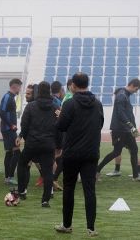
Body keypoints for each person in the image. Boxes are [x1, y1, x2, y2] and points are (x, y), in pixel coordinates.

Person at [54, 73, 104, 237]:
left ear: (73, 86)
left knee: (69, 188)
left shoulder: (69, 104)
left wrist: (59, 116)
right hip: (91, 152)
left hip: (72, 153)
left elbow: (61, 126)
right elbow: (100, 124)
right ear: (87, 84)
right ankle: (91, 227)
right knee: (90, 190)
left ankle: (67, 225)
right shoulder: (97, 104)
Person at [17, 81, 60, 208]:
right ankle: (45, 199)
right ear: (50, 91)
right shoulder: (55, 107)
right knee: (47, 171)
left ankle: (21, 190)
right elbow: (59, 127)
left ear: (38, 91)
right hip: (48, 144)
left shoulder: (31, 106)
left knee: (22, 164)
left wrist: (22, 136)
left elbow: (24, 124)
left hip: (32, 143)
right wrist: (58, 145)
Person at [96, 78, 140, 181]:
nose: (136, 91)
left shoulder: (124, 95)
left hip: (124, 130)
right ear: (133, 85)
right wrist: (131, 126)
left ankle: (135, 175)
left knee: (128, 150)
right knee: (122, 151)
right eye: (136, 89)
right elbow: (121, 114)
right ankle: (97, 170)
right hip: (121, 130)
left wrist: (132, 127)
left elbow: (127, 114)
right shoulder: (122, 95)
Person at [0, 78, 22, 185]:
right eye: (19, 87)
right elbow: (1, 112)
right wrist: (11, 125)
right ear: (15, 86)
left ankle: (7, 178)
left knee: (9, 153)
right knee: (17, 152)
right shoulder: (7, 97)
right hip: (8, 129)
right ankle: (10, 176)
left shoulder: (11, 97)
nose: (20, 89)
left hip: (8, 129)